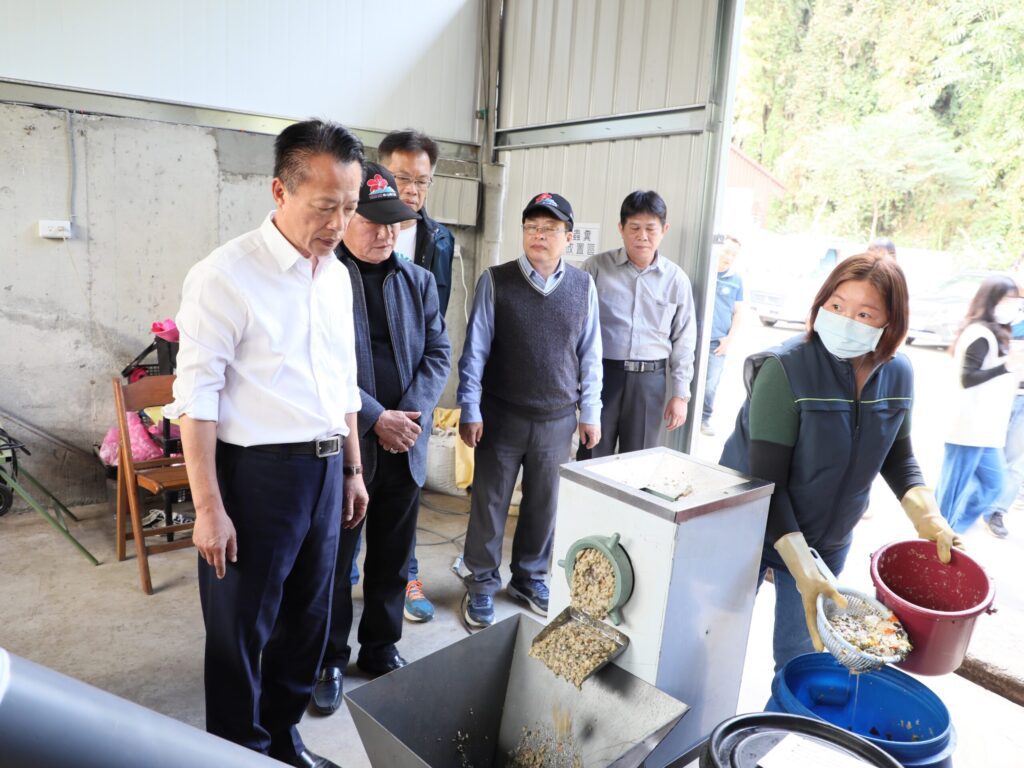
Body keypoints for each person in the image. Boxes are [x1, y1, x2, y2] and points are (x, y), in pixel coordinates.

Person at [166, 120, 368, 768]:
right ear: (280, 191)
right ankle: (236, 753)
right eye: (325, 206)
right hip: (254, 477)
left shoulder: (336, 276)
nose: (338, 222)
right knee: (239, 631)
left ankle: (281, 740)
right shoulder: (224, 276)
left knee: (307, 625)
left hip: (325, 468)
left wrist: (353, 469)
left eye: (350, 206)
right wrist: (207, 508)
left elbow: (343, 381)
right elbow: (196, 399)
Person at [720, 253, 962, 671]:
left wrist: (928, 516)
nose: (846, 319)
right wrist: (799, 565)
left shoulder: (899, 373)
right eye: (836, 305)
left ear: (891, 324)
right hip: (751, 528)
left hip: (826, 540)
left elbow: (897, 454)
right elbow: (764, 482)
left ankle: (778, 731)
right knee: (714, 639)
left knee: (802, 658)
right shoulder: (785, 369)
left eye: (865, 313)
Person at [312, 163, 451, 715]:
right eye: (372, 221)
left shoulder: (417, 281)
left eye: (394, 222)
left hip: (405, 444)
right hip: (349, 448)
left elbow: (439, 352)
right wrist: (374, 418)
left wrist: (407, 417)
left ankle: (380, 647)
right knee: (335, 561)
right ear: (347, 218)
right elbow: (320, 363)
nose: (386, 233)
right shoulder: (323, 279)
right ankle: (328, 658)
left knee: (393, 556)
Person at [458, 192, 602, 628]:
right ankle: (481, 584)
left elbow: (591, 353)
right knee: (490, 503)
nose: (539, 236)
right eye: (532, 228)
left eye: (550, 229)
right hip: (502, 414)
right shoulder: (496, 280)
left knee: (544, 506)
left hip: (558, 419)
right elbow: (475, 350)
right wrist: (469, 406)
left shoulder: (582, 287)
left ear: (568, 238)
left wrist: (590, 411)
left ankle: (528, 578)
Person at [377, 129, 457, 623]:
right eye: (402, 178)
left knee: (404, 498)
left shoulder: (438, 239)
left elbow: (437, 326)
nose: (412, 190)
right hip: (363, 393)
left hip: (411, 393)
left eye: (422, 182)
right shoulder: (354, 227)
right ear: (379, 172)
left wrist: (414, 405)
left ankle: (406, 577)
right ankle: (346, 580)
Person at [581, 191, 696, 457]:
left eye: (650, 228)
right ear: (621, 229)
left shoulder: (676, 280)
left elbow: (684, 340)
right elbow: (577, 329)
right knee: (591, 454)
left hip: (650, 381)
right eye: (634, 228)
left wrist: (680, 394)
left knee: (640, 461)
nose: (642, 236)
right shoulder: (595, 268)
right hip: (603, 376)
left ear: (664, 230)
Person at [937, 276, 1024, 535]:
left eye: (1015, 300)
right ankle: (938, 542)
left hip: (986, 432)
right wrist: (1006, 366)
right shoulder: (979, 333)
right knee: (949, 497)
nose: (1013, 305)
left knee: (994, 484)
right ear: (990, 301)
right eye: (1006, 300)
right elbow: (968, 378)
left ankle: (952, 533)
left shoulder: (996, 332)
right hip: (968, 430)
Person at [701, 234, 745, 437]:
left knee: (710, 384)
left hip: (717, 343)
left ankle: (703, 419)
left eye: (733, 254)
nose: (729, 256)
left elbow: (738, 313)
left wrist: (729, 339)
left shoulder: (736, 280)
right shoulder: (704, 272)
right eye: (727, 251)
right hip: (696, 337)